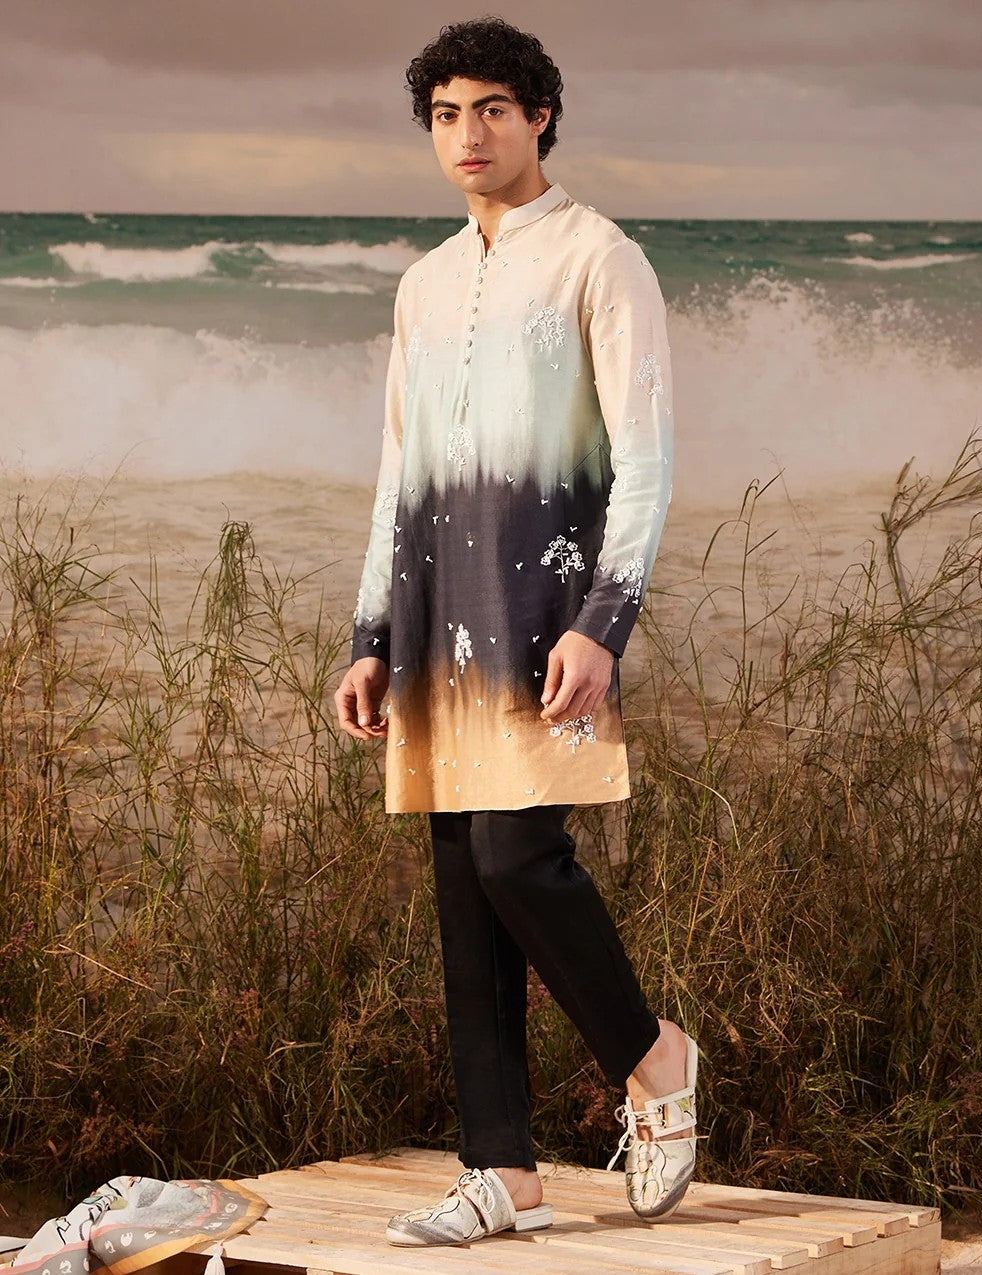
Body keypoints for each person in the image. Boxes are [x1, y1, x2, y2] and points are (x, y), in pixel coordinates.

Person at [334, 14, 699, 1248]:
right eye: (446, 114)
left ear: (539, 116)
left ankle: (651, 1055)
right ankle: (502, 1173)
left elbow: (645, 462)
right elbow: (398, 469)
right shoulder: (425, 283)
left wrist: (605, 622)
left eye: (492, 108)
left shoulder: (601, 258)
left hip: (543, 611)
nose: (468, 134)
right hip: (436, 613)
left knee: (512, 858)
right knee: (463, 889)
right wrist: (370, 632)